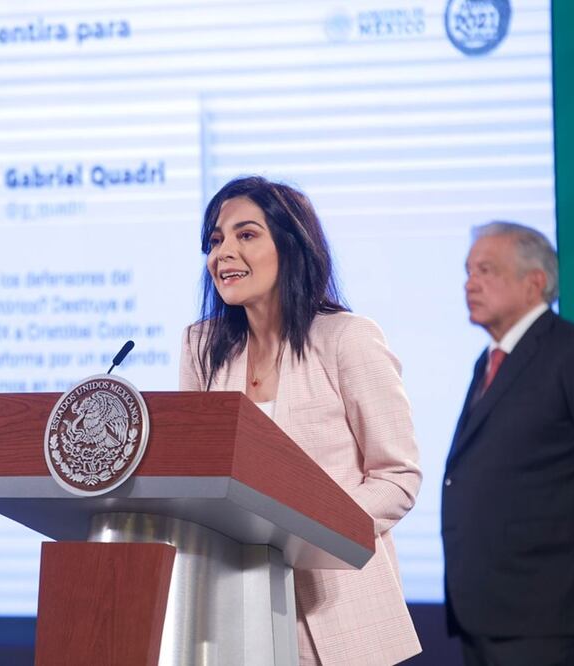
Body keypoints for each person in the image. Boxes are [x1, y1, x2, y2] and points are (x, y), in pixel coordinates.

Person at [179, 176, 422, 665]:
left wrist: (308, 530)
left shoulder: (347, 339)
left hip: (339, 608)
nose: (223, 252)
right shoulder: (201, 347)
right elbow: (192, 472)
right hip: (229, 605)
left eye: (246, 234)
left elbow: (398, 477)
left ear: (291, 246)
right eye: (215, 239)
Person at [442, 221, 574, 665]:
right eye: (468, 271)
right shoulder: (490, 361)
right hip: (484, 608)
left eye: (486, 269)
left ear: (534, 282)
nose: (470, 283)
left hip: (542, 610)